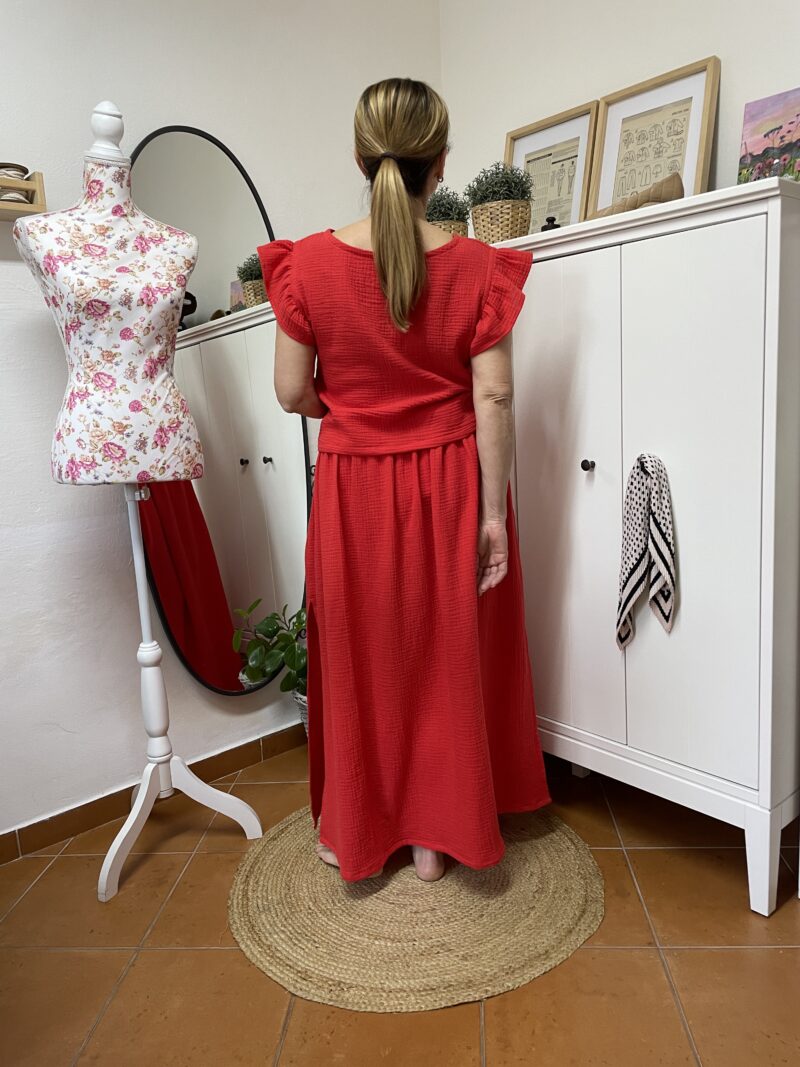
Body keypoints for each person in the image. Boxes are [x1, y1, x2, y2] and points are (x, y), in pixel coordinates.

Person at [258, 77, 551, 885]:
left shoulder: (306, 265)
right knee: (444, 652)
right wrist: (493, 517)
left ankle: (364, 826)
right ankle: (436, 837)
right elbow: (494, 395)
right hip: (451, 480)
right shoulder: (479, 268)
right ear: (441, 162)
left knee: (366, 656)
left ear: (361, 159)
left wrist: (356, 411)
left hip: (351, 487)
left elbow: (290, 392)